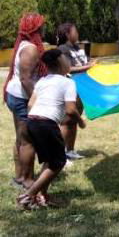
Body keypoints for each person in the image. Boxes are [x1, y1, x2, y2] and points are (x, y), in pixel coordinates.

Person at [16, 49, 86, 210]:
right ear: (60, 63)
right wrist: (80, 121)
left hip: (32, 121)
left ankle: (43, 196)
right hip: (45, 123)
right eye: (66, 59)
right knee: (59, 161)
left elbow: (30, 104)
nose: (69, 62)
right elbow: (70, 110)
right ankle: (28, 196)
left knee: (49, 160)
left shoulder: (42, 81)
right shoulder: (68, 82)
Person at [4, 13, 47, 190]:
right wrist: (36, 101)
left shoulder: (24, 44)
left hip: (16, 96)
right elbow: (25, 79)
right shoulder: (30, 49)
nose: (45, 28)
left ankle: (20, 176)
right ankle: (28, 181)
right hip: (22, 97)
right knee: (28, 140)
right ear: (36, 29)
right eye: (42, 26)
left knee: (21, 139)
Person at [57, 23, 95, 161]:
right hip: (69, 87)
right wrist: (88, 66)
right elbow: (67, 68)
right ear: (67, 34)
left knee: (73, 121)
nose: (77, 34)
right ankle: (59, 155)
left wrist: (90, 62)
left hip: (81, 89)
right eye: (75, 31)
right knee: (66, 121)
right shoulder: (62, 49)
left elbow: (81, 63)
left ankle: (70, 151)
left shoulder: (77, 47)